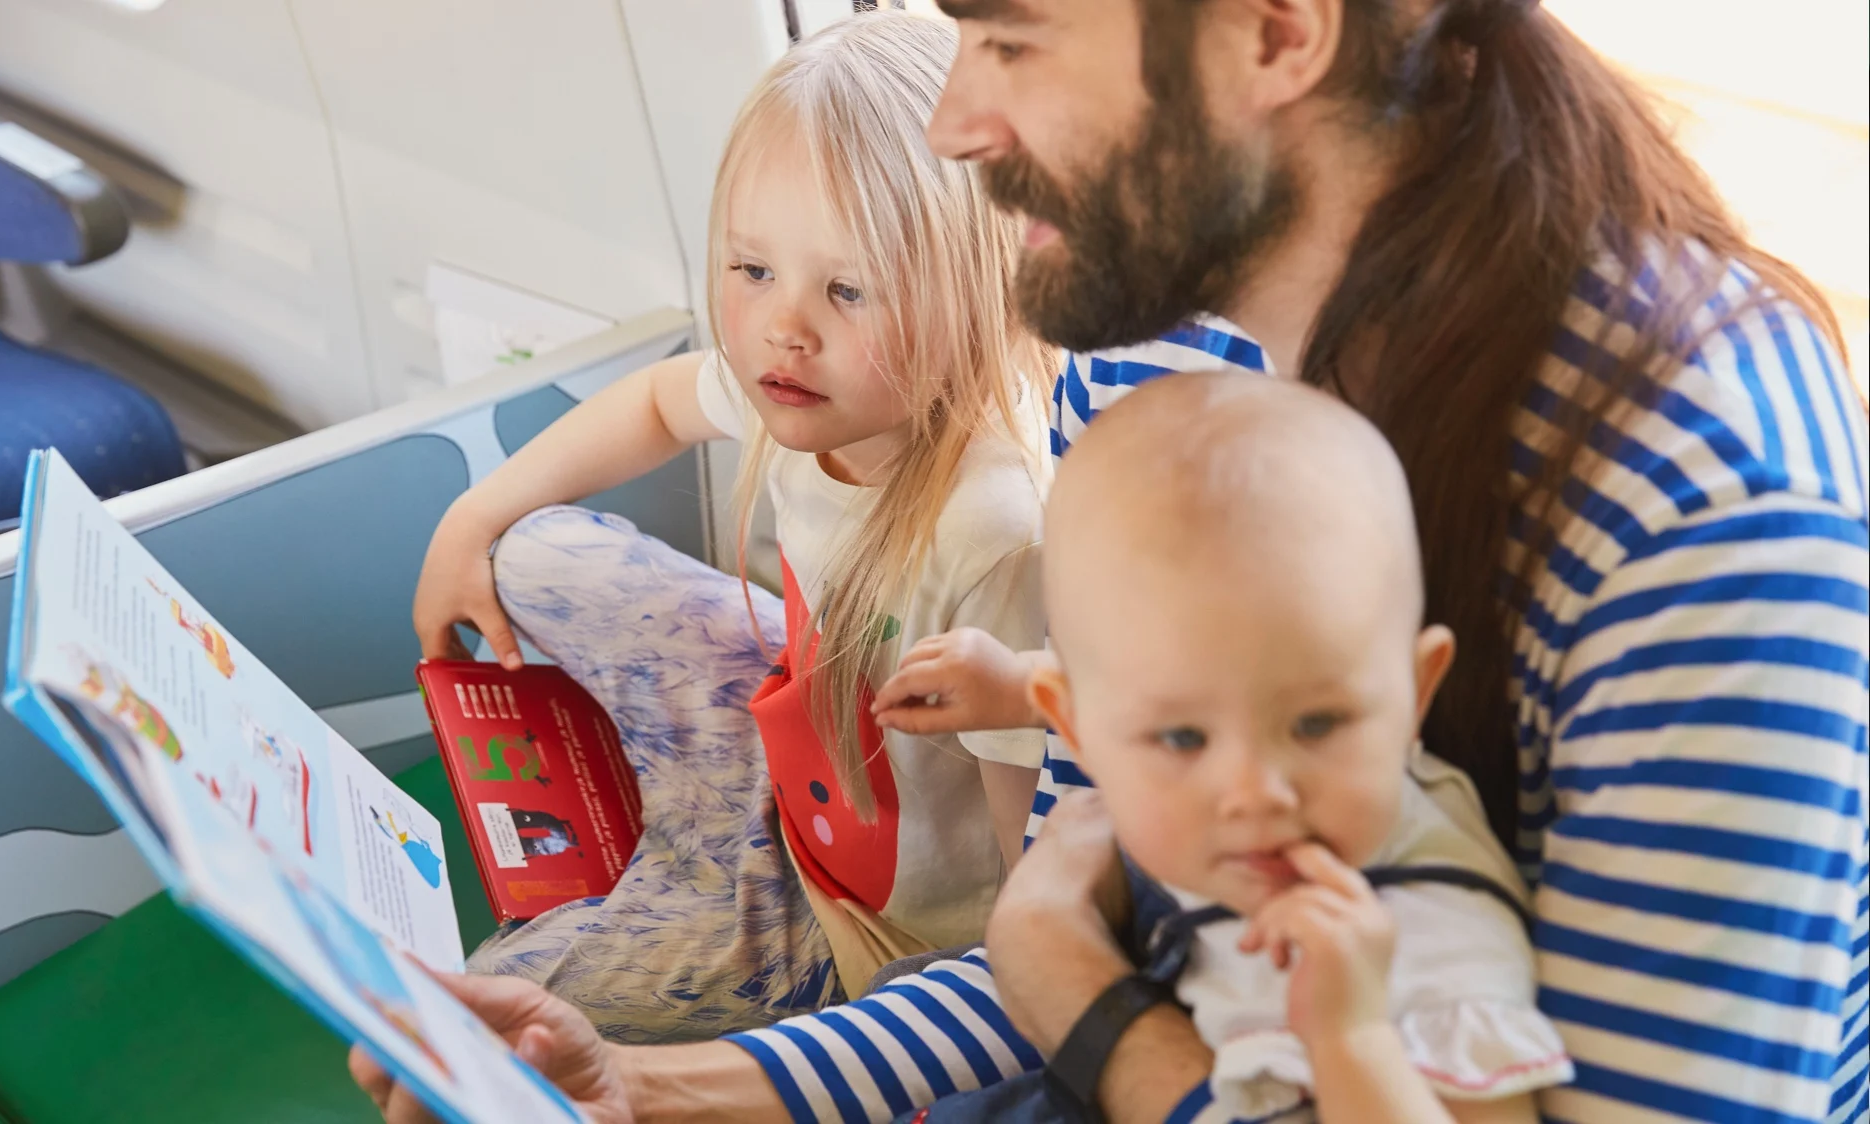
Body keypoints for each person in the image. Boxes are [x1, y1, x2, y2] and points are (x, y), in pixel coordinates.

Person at [356, 0, 1868, 1120]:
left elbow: (1069, 950)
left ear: (1277, 33)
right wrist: (639, 1088)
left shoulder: (1701, 509)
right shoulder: (1155, 363)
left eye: (1012, 42)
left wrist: (1073, 991)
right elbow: (1102, 903)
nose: (954, 122)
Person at [406, 11, 1055, 1042]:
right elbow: (660, 404)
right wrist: (470, 515)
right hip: (789, 749)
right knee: (530, 550)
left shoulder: (996, 532)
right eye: (753, 270)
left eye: (848, 288)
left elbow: (1036, 863)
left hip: (859, 927)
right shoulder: (808, 380)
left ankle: (689, 892)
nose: (783, 326)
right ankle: (687, 837)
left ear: (972, 296)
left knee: (495, 1009)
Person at [916, 372, 1572, 1123]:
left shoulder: (1429, 927)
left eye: (1317, 725)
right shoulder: (1199, 812)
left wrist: (1352, 1040)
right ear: (1079, 732)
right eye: (1184, 737)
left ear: (1416, 695)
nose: (1257, 789)